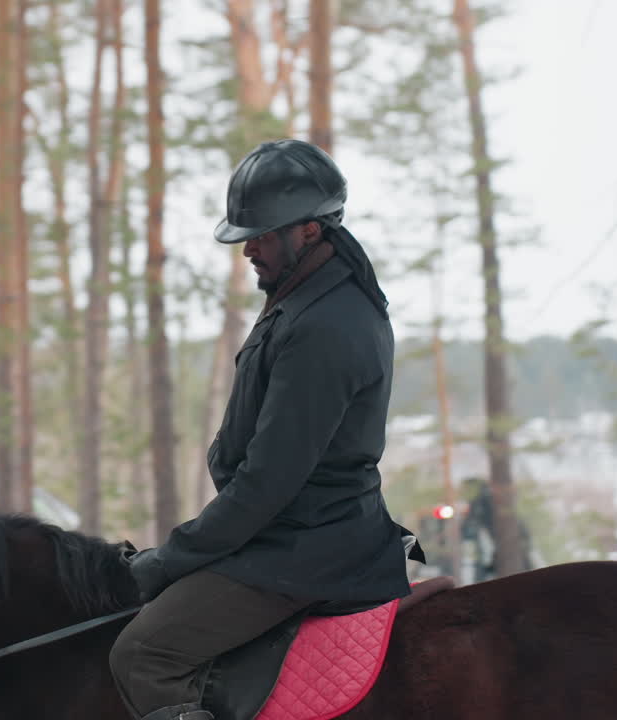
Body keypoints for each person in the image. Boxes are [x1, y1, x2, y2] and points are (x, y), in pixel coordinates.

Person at [109, 139, 421, 720]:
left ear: (308, 229)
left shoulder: (329, 323)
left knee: (145, 652)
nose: (248, 247)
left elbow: (267, 485)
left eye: (262, 232)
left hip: (309, 546)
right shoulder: (304, 297)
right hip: (285, 533)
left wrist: (169, 559)